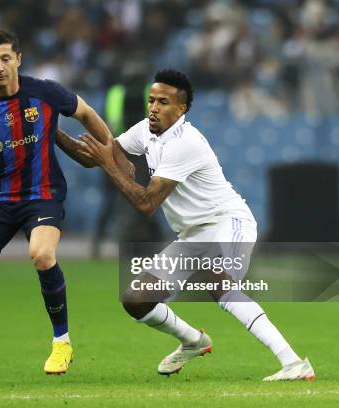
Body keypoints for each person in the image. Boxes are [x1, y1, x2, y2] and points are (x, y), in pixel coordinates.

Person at [61, 69, 314, 381]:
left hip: (227, 222)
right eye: (151, 100)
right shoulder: (145, 130)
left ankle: (293, 363)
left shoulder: (186, 142)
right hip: (193, 235)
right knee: (137, 300)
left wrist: (106, 163)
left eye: (163, 102)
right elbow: (92, 156)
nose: (153, 107)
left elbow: (145, 204)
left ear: (182, 109)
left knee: (218, 279)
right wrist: (50, 133)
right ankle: (194, 341)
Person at [0, 29, 127, 385]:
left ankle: (62, 342)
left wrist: (113, 151)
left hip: (42, 193)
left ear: (18, 59)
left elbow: (86, 112)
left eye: (5, 58)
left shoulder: (45, 92)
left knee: (41, 254)